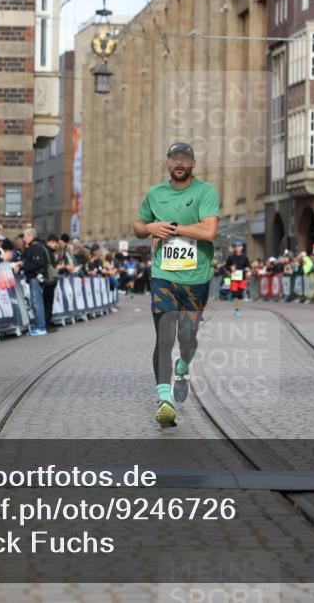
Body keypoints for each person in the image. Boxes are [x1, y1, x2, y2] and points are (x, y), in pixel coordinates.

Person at [133, 142, 219, 428]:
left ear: (193, 163)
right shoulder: (155, 194)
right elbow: (137, 226)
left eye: (185, 158)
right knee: (164, 335)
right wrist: (148, 228)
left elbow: (209, 231)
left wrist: (171, 228)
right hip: (164, 275)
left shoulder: (206, 191)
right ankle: (164, 400)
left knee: (187, 339)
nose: (179, 163)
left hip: (197, 278)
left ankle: (183, 367)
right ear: (167, 162)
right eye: (174, 158)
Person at [20, 227, 52, 336]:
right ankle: (40, 326)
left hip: (36, 278)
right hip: (36, 277)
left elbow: (39, 263)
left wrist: (24, 266)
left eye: (25, 236)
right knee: (36, 302)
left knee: (37, 303)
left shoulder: (35, 248)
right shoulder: (39, 246)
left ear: (30, 236)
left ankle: (40, 327)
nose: (24, 239)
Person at [224, 240, 251, 317]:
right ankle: (232, 295)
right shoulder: (231, 257)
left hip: (242, 278)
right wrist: (230, 267)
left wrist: (247, 269)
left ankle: (237, 310)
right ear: (234, 248)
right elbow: (226, 266)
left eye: (239, 246)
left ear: (242, 248)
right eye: (236, 246)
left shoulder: (244, 257)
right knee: (234, 293)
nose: (237, 248)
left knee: (240, 294)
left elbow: (248, 266)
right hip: (234, 278)